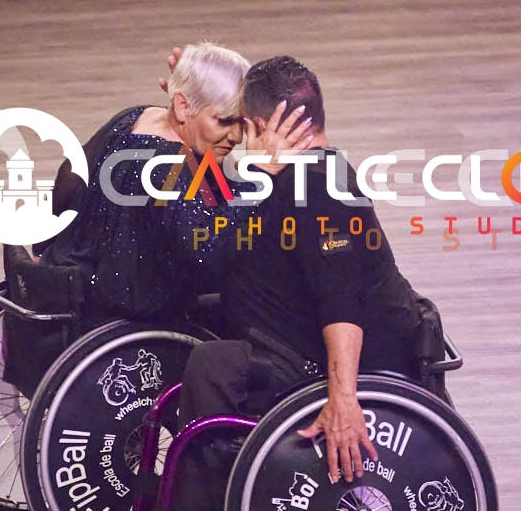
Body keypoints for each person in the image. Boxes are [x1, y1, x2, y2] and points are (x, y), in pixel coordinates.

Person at [175, 55, 434, 508]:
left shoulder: (320, 189)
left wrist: (343, 399)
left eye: (241, 123)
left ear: (260, 126)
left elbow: (343, 304)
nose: (235, 136)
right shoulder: (284, 173)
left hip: (321, 361)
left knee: (210, 365)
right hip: (289, 334)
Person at [5, 43, 311, 395]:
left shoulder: (137, 117)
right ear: (182, 106)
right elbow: (210, 250)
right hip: (124, 306)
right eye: (224, 121)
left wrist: (46, 248)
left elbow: (69, 178)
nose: (237, 137)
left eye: (240, 123)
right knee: (253, 294)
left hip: (81, 277)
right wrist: (259, 175)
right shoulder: (165, 166)